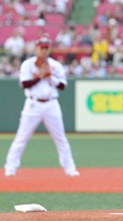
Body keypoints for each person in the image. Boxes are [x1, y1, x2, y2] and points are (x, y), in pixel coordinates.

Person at [4, 36, 80, 177]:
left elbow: (63, 85)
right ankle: (10, 167)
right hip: (33, 104)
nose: (44, 50)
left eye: (46, 48)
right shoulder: (28, 64)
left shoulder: (55, 65)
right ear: (36, 48)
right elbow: (24, 84)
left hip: (51, 104)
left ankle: (70, 168)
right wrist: (40, 76)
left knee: (60, 138)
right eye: (41, 47)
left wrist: (49, 77)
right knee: (21, 137)